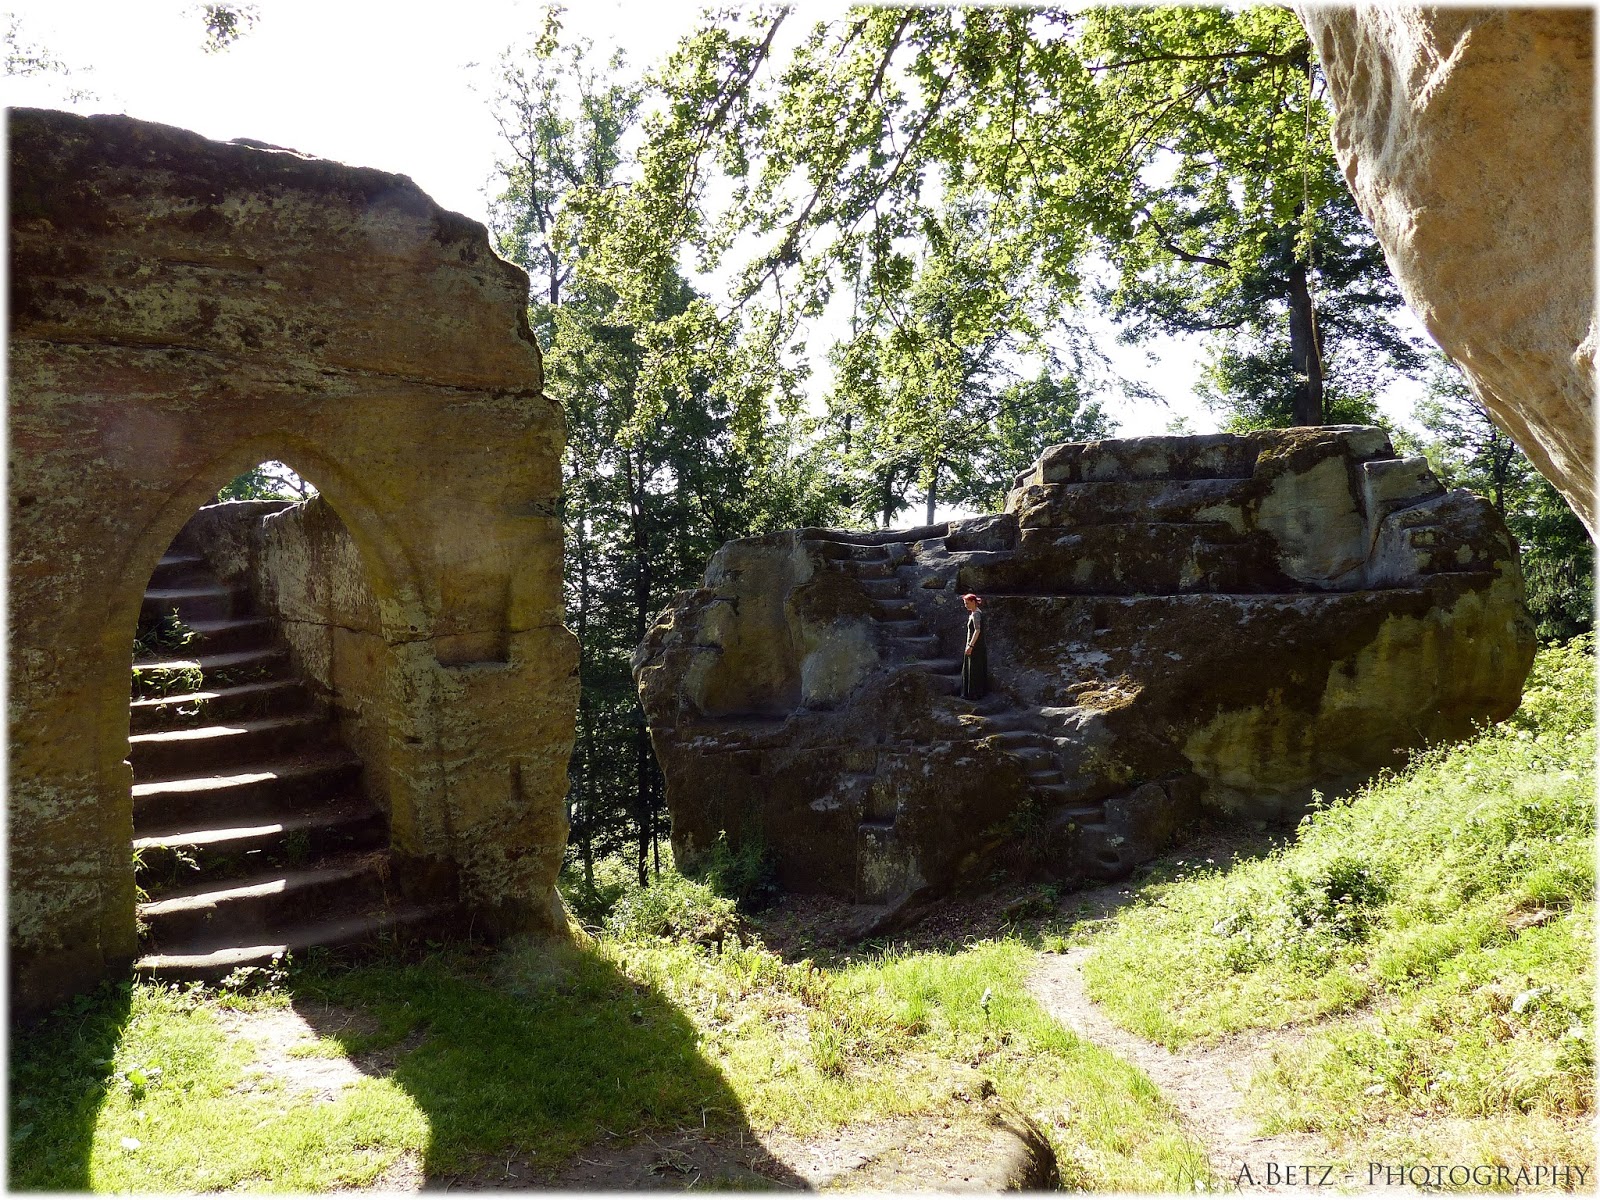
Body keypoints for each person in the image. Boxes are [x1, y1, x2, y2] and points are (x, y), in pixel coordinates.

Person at [961, 593, 988, 700]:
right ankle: (973, 693)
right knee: (973, 668)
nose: (965, 605)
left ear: (973, 602)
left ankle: (974, 694)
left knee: (974, 669)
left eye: (967, 603)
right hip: (975, 645)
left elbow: (977, 630)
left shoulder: (976, 614)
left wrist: (971, 646)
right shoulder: (974, 613)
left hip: (976, 646)